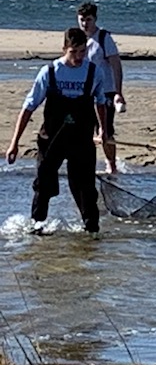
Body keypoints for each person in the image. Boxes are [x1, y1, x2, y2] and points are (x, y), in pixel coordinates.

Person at [6, 28, 108, 233]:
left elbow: (101, 103)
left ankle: (91, 231)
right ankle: (37, 226)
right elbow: (29, 107)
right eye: (74, 52)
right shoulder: (50, 72)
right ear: (64, 49)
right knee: (43, 184)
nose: (79, 57)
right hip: (52, 138)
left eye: (82, 52)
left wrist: (104, 130)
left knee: (85, 188)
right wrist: (14, 144)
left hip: (81, 138)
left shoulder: (94, 71)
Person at [77, 2, 125, 174]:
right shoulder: (77, 40)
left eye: (88, 20)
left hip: (105, 91)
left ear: (95, 19)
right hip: (83, 92)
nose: (85, 24)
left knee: (105, 129)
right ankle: (84, 164)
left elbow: (116, 66)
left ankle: (111, 165)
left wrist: (118, 93)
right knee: (83, 129)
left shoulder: (104, 38)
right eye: (82, 20)